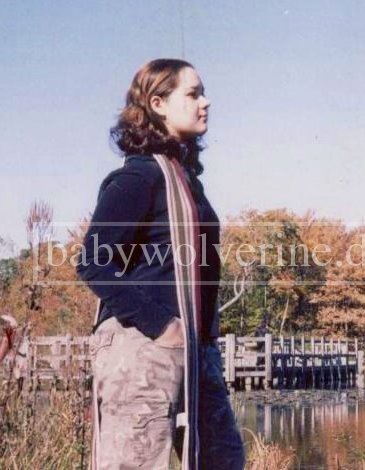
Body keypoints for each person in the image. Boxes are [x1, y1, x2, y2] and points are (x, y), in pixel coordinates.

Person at [77, 59, 245, 470]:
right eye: (193, 93)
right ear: (158, 103)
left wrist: (198, 338)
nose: (206, 102)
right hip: (146, 348)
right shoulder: (140, 178)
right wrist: (162, 326)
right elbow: (94, 262)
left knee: (223, 459)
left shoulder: (186, 180)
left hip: (194, 351)